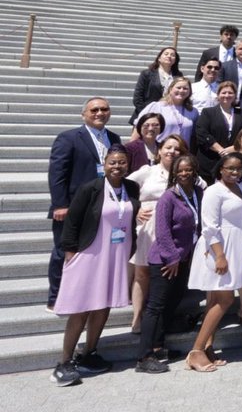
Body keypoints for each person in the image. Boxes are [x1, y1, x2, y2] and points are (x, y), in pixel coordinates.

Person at [50, 145, 140, 387]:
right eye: (113, 162)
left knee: (103, 306)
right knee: (81, 309)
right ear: (104, 163)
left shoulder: (132, 188)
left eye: (122, 162)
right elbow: (72, 223)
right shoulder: (90, 188)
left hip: (116, 255)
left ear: (128, 164)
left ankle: (89, 352)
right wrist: (71, 253)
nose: (117, 167)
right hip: (90, 254)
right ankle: (64, 361)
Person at [47, 97, 122, 311]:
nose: (100, 113)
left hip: (102, 207)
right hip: (72, 207)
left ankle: (85, 295)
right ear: (84, 114)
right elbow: (57, 174)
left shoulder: (114, 138)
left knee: (92, 253)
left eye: (104, 109)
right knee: (64, 251)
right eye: (94, 110)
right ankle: (55, 297)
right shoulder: (69, 138)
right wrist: (59, 204)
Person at [136, 153, 202, 373]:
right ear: (174, 173)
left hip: (184, 259)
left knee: (171, 304)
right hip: (164, 260)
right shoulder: (169, 196)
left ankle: (158, 346)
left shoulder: (198, 193)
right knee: (155, 306)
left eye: (188, 169)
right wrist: (172, 258)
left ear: (194, 171)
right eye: (180, 170)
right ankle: (144, 357)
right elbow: (162, 230)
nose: (184, 173)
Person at [186, 151, 242, 372]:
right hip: (219, 249)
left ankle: (207, 348)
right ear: (221, 169)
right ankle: (195, 352)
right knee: (224, 300)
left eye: (239, 168)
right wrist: (220, 255)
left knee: (215, 300)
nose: (235, 172)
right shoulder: (214, 191)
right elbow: (209, 226)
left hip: (236, 245)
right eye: (230, 168)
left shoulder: (241, 188)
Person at [125, 134, 187, 336]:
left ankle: (159, 319)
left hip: (174, 230)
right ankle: (137, 317)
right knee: (142, 272)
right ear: (159, 150)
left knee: (165, 276)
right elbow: (120, 186)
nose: (172, 152)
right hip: (148, 226)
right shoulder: (147, 172)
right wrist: (134, 208)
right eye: (168, 147)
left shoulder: (185, 173)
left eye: (177, 149)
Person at [192, 81, 242, 181]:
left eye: (230, 93)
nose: (227, 95)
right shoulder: (208, 112)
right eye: (224, 92)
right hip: (209, 161)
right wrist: (220, 150)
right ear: (218, 95)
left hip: (233, 162)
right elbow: (201, 133)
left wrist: (234, 148)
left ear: (235, 96)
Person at [131, 47, 182, 125]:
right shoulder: (147, 74)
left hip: (168, 118)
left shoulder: (178, 76)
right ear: (159, 58)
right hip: (145, 116)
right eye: (166, 54)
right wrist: (147, 115)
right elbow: (138, 98)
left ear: (175, 60)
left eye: (172, 55)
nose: (169, 56)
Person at [141, 77, 198, 145]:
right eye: (178, 87)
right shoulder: (157, 106)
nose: (181, 90)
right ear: (170, 89)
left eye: (185, 88)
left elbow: (194, 135)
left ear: (189, 92)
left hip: (182, 152)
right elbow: (139, 127)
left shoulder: (193, 111)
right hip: (160, 150)